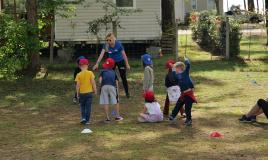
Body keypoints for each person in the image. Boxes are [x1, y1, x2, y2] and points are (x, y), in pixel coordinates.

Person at [93, 33, 131, 98]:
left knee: (123, 77)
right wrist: (97, 64)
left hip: (120, 61)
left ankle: (127, 93)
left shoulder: (119, 45)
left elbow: (124, 55)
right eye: (107, 40)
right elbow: (101, 55)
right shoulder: (106, 45)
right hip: (111, 62)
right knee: (110, 76)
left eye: (110, 40)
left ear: (113, 39)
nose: (108, 42)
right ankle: (111, 92)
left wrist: (127, 64)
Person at [169, 57, 197, 126]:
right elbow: (172, 75)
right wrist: (172, 66)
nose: (175, 69)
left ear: (180, 68)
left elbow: (188, 65)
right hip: (183, 94)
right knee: (178, 105)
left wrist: (186, 60)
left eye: (176, 68)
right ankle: (172, 115)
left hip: (189, 94)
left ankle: (189, 120)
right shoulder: (176, 75)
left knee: (187, 108)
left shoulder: (185, 73)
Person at [99, 58, 124, 123]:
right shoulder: (114, 72)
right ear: (113, 66)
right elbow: (116, 82)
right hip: (112, 86)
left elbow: (100, 81)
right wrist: (117, 91)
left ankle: (108, 118)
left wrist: (101, 86)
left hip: (104, 86)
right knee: (116, 101)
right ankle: (117, 116)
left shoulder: (102, 71)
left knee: (106, 102)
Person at [75, 59, 97, 125]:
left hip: (82, 93)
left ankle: (83, 118)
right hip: (89, 93)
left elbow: (77, 85)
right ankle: (87, 121)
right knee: (88, 107)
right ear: (87, 65)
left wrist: (77, 93)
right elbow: (93, 83)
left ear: (80, 66)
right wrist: (95, 90)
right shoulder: (90, 73)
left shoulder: (78, 75)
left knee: (82, 106)